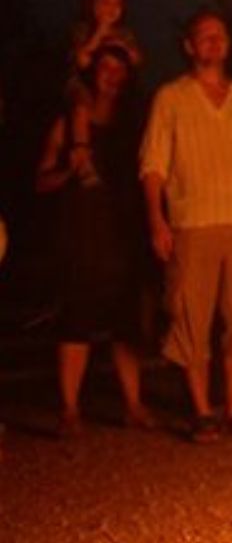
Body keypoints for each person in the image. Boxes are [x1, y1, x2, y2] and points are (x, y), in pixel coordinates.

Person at [140, 10, 232, 441]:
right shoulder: (171, 98)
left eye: (220, 36)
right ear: (189, 46)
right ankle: (202, 410)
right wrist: (158, 219)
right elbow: (153, 165)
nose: (213, 43)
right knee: (189, 317)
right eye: (204, 37)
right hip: (191, 223)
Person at [35, 43, 155, 435]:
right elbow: (41, 181)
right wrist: (70, 172)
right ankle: (70, 410)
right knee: (76, 321)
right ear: (93, 73)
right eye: (105, 67)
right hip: (81, 236)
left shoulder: (134, 123)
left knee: (126, 324)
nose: (112, 75)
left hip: (123, 234)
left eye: (119, 69)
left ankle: (133, 405)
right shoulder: (69, 123)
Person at [64, 0, 144, 191]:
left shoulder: (125, 34)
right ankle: (83, 154)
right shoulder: (83, 29)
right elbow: (81, 60)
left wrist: (122, 46)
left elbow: (137, 60)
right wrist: (99, 34)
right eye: (105, 2)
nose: (111, 8)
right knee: (81, 105)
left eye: (116, 3)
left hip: (115, 90)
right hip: (83, 84)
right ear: (92, 4)